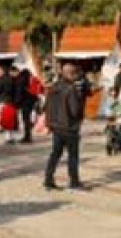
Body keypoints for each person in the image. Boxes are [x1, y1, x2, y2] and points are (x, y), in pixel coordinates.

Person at [43, 63, 86, 191]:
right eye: (75, 74)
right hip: (69, 126)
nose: (76, 77)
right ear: (70, 74)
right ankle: (74, 182)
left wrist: (49, 123)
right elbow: (74, 110)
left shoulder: (54, 87)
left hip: (56, 126)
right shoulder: (71, 89)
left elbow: (47, 106)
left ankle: (48, 179)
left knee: (55, 154)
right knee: (73, 155)